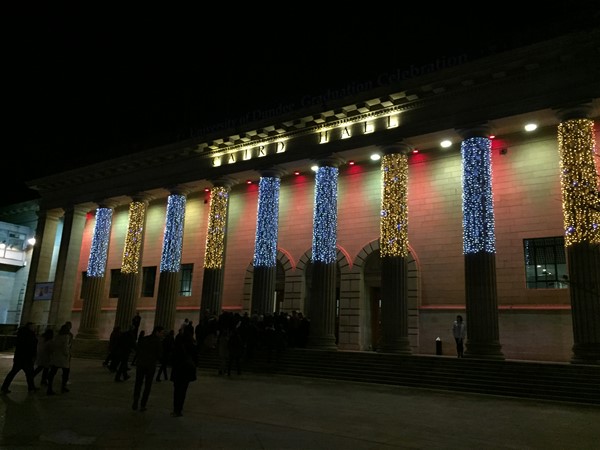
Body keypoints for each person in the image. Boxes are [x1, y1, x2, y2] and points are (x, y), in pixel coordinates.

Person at [132, 326, 164, 412]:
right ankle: (143, 404)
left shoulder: (144, 339)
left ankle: (136, 399)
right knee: (147, 385)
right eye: (161, 333)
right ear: (157, 332)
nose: (162, 335)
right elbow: (160, 355)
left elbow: (138, 349)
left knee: (138, 383)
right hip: (150, 366)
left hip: (141, 364)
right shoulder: (158, 342)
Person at [1, 322, 38, 394]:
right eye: (33, 326)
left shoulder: (21, 334)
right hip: (27, 358)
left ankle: (4, 387)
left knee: (13, 373)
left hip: (19, 357)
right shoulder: (31, 335)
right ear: (30, 327)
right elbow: (32, 347)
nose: (35, 328)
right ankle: (31, 388)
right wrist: (33, 356)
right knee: (29, 374)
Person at [170, 325, 197, 417]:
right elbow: (195, 357)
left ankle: (175, 409)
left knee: (176, 390)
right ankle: (179, 410)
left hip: (178, 368)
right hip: (187, 369)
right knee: (183, 390)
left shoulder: (179, 340)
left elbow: (173, 354)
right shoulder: (192, 342)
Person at [46, 323, 72, 394]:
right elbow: (65, 347)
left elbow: (53, 345)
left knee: (53, 372)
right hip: (63, 358)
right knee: (65, 373)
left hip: (56, 356)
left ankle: (49, 387)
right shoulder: (66, 337)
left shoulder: (57, 336)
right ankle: (63, 386)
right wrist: (67, 354)